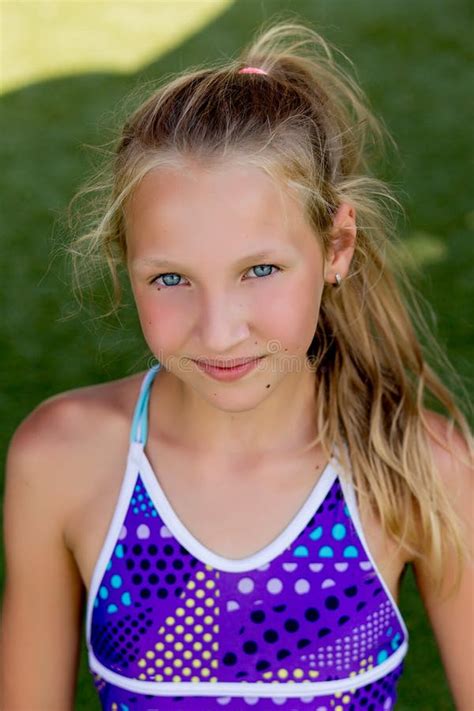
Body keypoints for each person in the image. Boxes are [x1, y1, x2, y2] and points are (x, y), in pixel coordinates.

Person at [1, 19, 472, 711]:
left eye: (259, 269)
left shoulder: (416, 465)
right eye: (170, 279)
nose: (219, 331)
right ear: (124, 265)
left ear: (337, 246)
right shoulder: (63, 457)